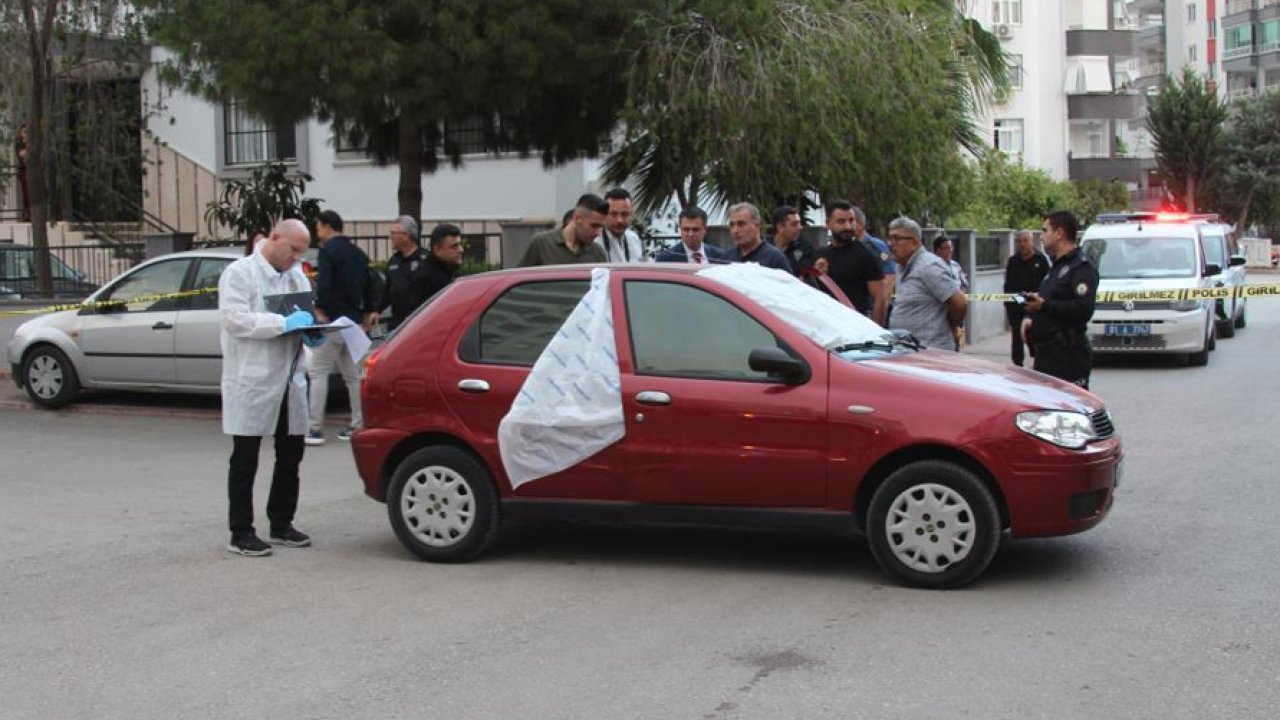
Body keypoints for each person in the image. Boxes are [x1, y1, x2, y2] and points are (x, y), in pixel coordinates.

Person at [218, 218, 320, 557]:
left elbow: (303, 312)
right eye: (293, 250)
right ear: (275, 238)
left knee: (291, 453)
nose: (295, 258)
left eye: (301, 253)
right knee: (246, 457)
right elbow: (235, 319)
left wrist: (312, 331)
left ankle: (281, 522)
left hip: (290, 377)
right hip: (252, 377)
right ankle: (241, 530)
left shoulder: (295, 275)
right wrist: (281, 323)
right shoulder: (240, 273)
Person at [306, 210, 369, 445]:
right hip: (353, 321)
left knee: (318, 371)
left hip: (332, 321)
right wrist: (368, 311)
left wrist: (320, 309)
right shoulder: (358, 254)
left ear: (327, 226)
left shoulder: (327, 253)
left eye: (318, 226)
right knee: (353, 376)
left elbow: (325, 284)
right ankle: (357, 423)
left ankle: (314, 428)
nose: (317, 232)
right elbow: (369, 284)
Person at [1022, 210, 1098, 389]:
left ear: (1059, 233)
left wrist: (1045, 306)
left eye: (1044, 230)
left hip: (1067, 356)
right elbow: (1046, 299)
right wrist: (1030, 316)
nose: (1041, 237)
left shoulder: (1081, 268)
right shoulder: (1056, 266)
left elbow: (1083, 309)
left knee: (1069, 411)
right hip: (1047, 355)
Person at [366, 217, 464, 332]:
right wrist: (377, 309)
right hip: (399, 322)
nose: (391, 237)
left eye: (394, 233)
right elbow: (388, 289)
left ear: (406, 236)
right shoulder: (394, 260)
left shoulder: (425, 262)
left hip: (417, 325)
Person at [885, 217, 967, 351]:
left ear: (914, 242)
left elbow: (959, 302)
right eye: (890, 238)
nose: (890, 243)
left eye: (897, 238)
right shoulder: (901, 267)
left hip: (931, 352)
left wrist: (951, 325)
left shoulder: (928, 266)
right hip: (910, 352)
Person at [814, 199, 886, 324]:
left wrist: (876, 332)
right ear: (827, 223)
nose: (847, 226)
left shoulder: (865, 255)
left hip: (855, 326)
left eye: (851, 221)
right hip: (826, 324)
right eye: (841, 222)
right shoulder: (821, 255)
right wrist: (816, 274)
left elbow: (879, 298)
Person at [519, 194, 609, 267]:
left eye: (601, 227)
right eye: (594, 226)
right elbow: (518, 280)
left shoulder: (597, 253)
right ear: (577, 218)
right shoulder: (542, 244)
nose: (597, 233)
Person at [1003, 230, 1050, 367]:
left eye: (1025, 241)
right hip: (1016, 306)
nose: (1022, 244)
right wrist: (1009, 304)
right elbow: (1008, 285)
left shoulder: (1041, 260)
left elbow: (1046, 284)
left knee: (1034, 335)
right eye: (1020, 241)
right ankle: (1018, 366)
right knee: (1017, 338)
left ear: (1031, 242)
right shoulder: (1013, 261)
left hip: (1035, 305)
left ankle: (1037, 363)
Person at [725, 202, 792, 272]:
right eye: (732, 225)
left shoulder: (775, 259)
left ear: (757, 225)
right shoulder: (727, 258)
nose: (735, 230)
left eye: (741, 224)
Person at [655, 206, 726, 264]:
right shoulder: (666, 259)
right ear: (680, 230)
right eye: (686, 229)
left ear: (705, 230)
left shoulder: (719, 256)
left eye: (695, 229)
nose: (690, 234)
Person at [853, 206, 896, 300]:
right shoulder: (849, 247)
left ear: (860, 224)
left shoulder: (875, 246)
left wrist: (881, 306)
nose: (847, 226)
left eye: (851, 221)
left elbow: (889, 276)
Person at [597, 188, 647, 262]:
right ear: (604, 214)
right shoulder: (596, 241)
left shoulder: (634, 238)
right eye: (614, 214)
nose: (619, 220)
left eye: (624, 214)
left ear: (631, 215)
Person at [770, 205, 814, 276]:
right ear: (780, 227)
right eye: (794, 224)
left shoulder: (805, 248)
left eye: (799, 223)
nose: (800, 227)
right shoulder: (763, 246)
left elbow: (809, 272)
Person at [14, 124, 30, 222]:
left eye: (27, 132)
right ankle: (27, 214)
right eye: (24, 132)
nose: (26, 134)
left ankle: (30, 213)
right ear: (20, 133)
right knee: (26, 193)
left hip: (32, 171)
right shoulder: (19, 143)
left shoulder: (31, 143)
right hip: (23, 171)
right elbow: (22, 155)